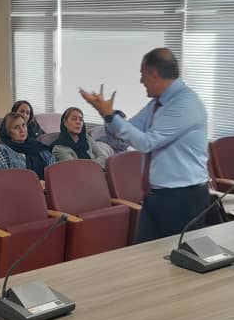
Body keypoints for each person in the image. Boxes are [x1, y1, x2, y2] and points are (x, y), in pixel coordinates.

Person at [80, 48, 209, 244]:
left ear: (154, 74)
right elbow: (125, 132)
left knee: (179, 258)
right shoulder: (157, 103)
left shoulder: (185, 104)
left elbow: (146, 143)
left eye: (143, 75)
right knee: (143, 255)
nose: (141, 81)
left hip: (184, 198)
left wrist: (110, 115)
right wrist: (106, 114)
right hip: (156, 195)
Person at [0, 111, 54, 178]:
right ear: (8, 132)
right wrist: (35, 182)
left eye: (23, 125)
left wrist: (47, 181)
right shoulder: (3, 150)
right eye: (16, 127)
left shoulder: (35, 145)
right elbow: (0, 177)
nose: (22, 130)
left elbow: (52, 165)